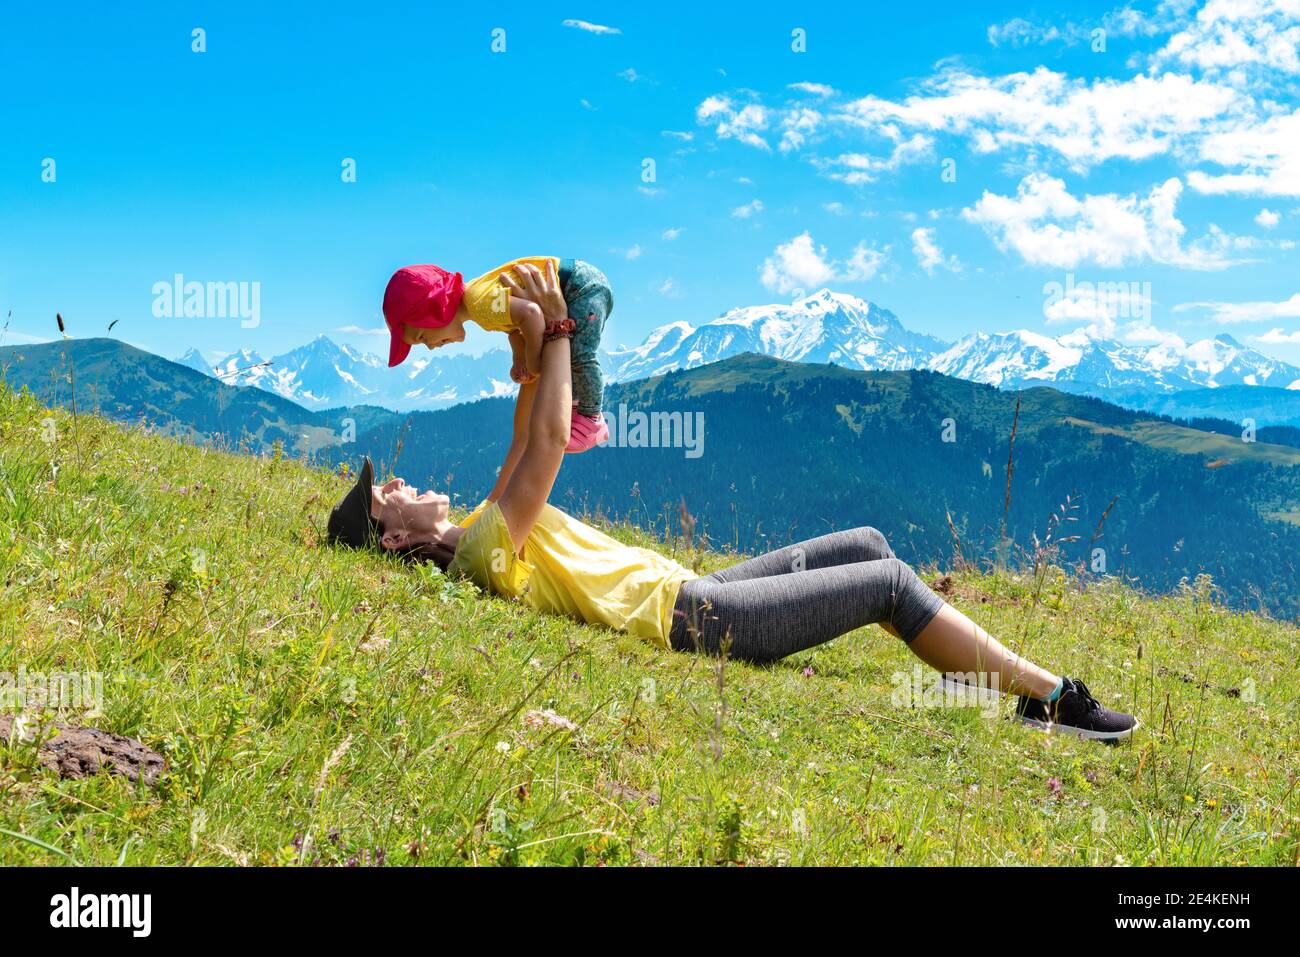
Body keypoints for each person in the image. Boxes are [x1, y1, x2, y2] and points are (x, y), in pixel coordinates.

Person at [332, 262, 1137, 743]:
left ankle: (969, 671)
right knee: (887, 586)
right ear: (398, 542)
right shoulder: (478, 553)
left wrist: (533, 345)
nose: (397, 482)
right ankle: (1050, 699)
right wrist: (562, 331)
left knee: (868, 540)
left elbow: (524, 438)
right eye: (386, 499)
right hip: (698, 620)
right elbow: (545, 450)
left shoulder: (482, 524)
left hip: (698, 586)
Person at [381, 257, 612, 453]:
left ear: (434, 309)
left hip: (581, 288)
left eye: (422, 337)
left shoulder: (480, 305)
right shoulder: (478, 302)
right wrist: (518, 356)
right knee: (571, 357)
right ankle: (578, 411)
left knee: (581, 355)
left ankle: (592, 420)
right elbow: (513, 325)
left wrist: (534, 363)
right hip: (578, 284)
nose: (430, 347)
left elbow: (530, 314)